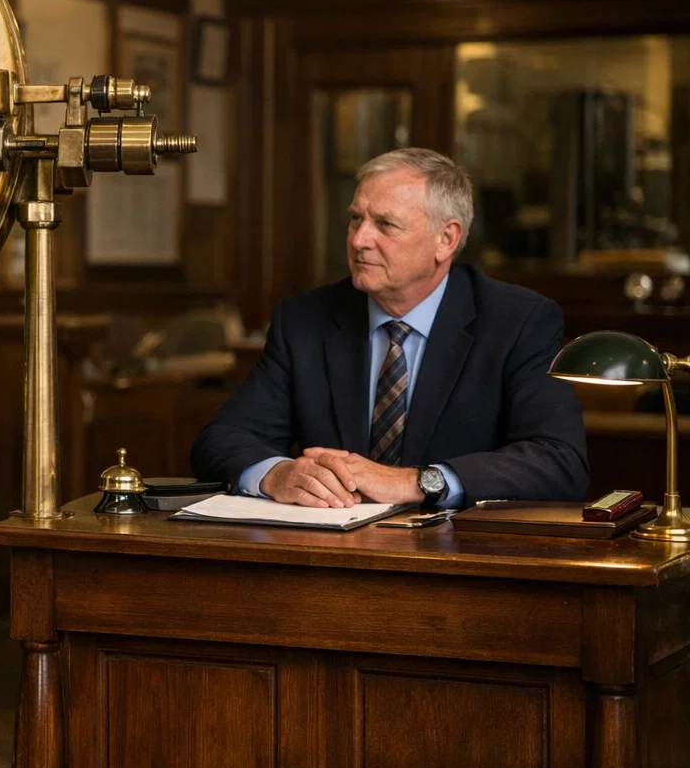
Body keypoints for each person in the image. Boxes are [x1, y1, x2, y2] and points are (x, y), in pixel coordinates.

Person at [191, 148, 587, 509]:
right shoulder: (306, 320)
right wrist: (276, 475)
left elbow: (559, 461)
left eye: (385, 224)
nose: (359, 239)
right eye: (355, 219)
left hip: (461, 562)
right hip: (328, 557)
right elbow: (220, 441)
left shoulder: (517, 321)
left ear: (446, 239)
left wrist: (419, 482)